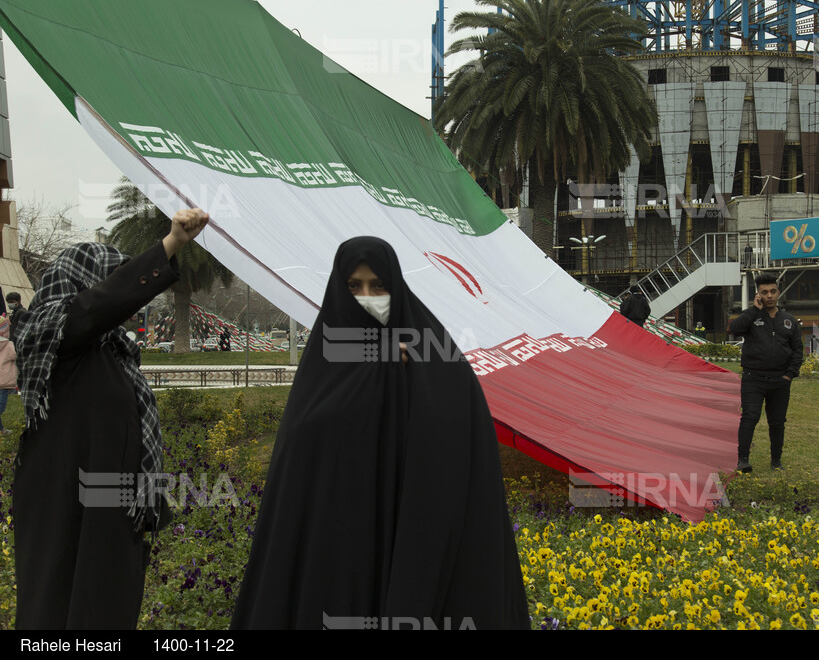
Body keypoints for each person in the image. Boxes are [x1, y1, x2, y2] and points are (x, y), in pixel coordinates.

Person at [231, 236, 528, 630]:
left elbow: (457, 452)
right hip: (338, 555)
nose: (367, 297)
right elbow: (304, 452)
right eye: (354, 286)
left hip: (408, 543)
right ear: (339, 288)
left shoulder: (434, 358)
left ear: (396, 286)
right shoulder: (324, 363)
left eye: (379, 286)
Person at [12, 208, 208, 629]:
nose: (123, 296)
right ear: (83, 284)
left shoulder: (113, 349)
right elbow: (96, 307)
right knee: (59, 608)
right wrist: (170, 245)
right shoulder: (54, 333)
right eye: (112, 280)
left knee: (106, 606)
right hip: (67, 512)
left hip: (108, 513)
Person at [728, 273, 803, 472]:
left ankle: (776, 462)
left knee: (777, 422)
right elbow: (734, 329)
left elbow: (797, 350)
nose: (769, 296)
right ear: (758, 294)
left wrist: (789, 374)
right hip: (754, 378)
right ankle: (743, 460)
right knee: (750, 417)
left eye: (772, 291)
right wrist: (754, 310)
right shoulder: (751, 316)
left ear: (778, 293)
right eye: (764, 292)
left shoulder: (789, 321)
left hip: (780, 380)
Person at [0, 332, 15, 436]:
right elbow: (16, 356)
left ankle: (2, 430)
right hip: (3, 381)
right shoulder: (9, 345)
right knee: (1, 406)